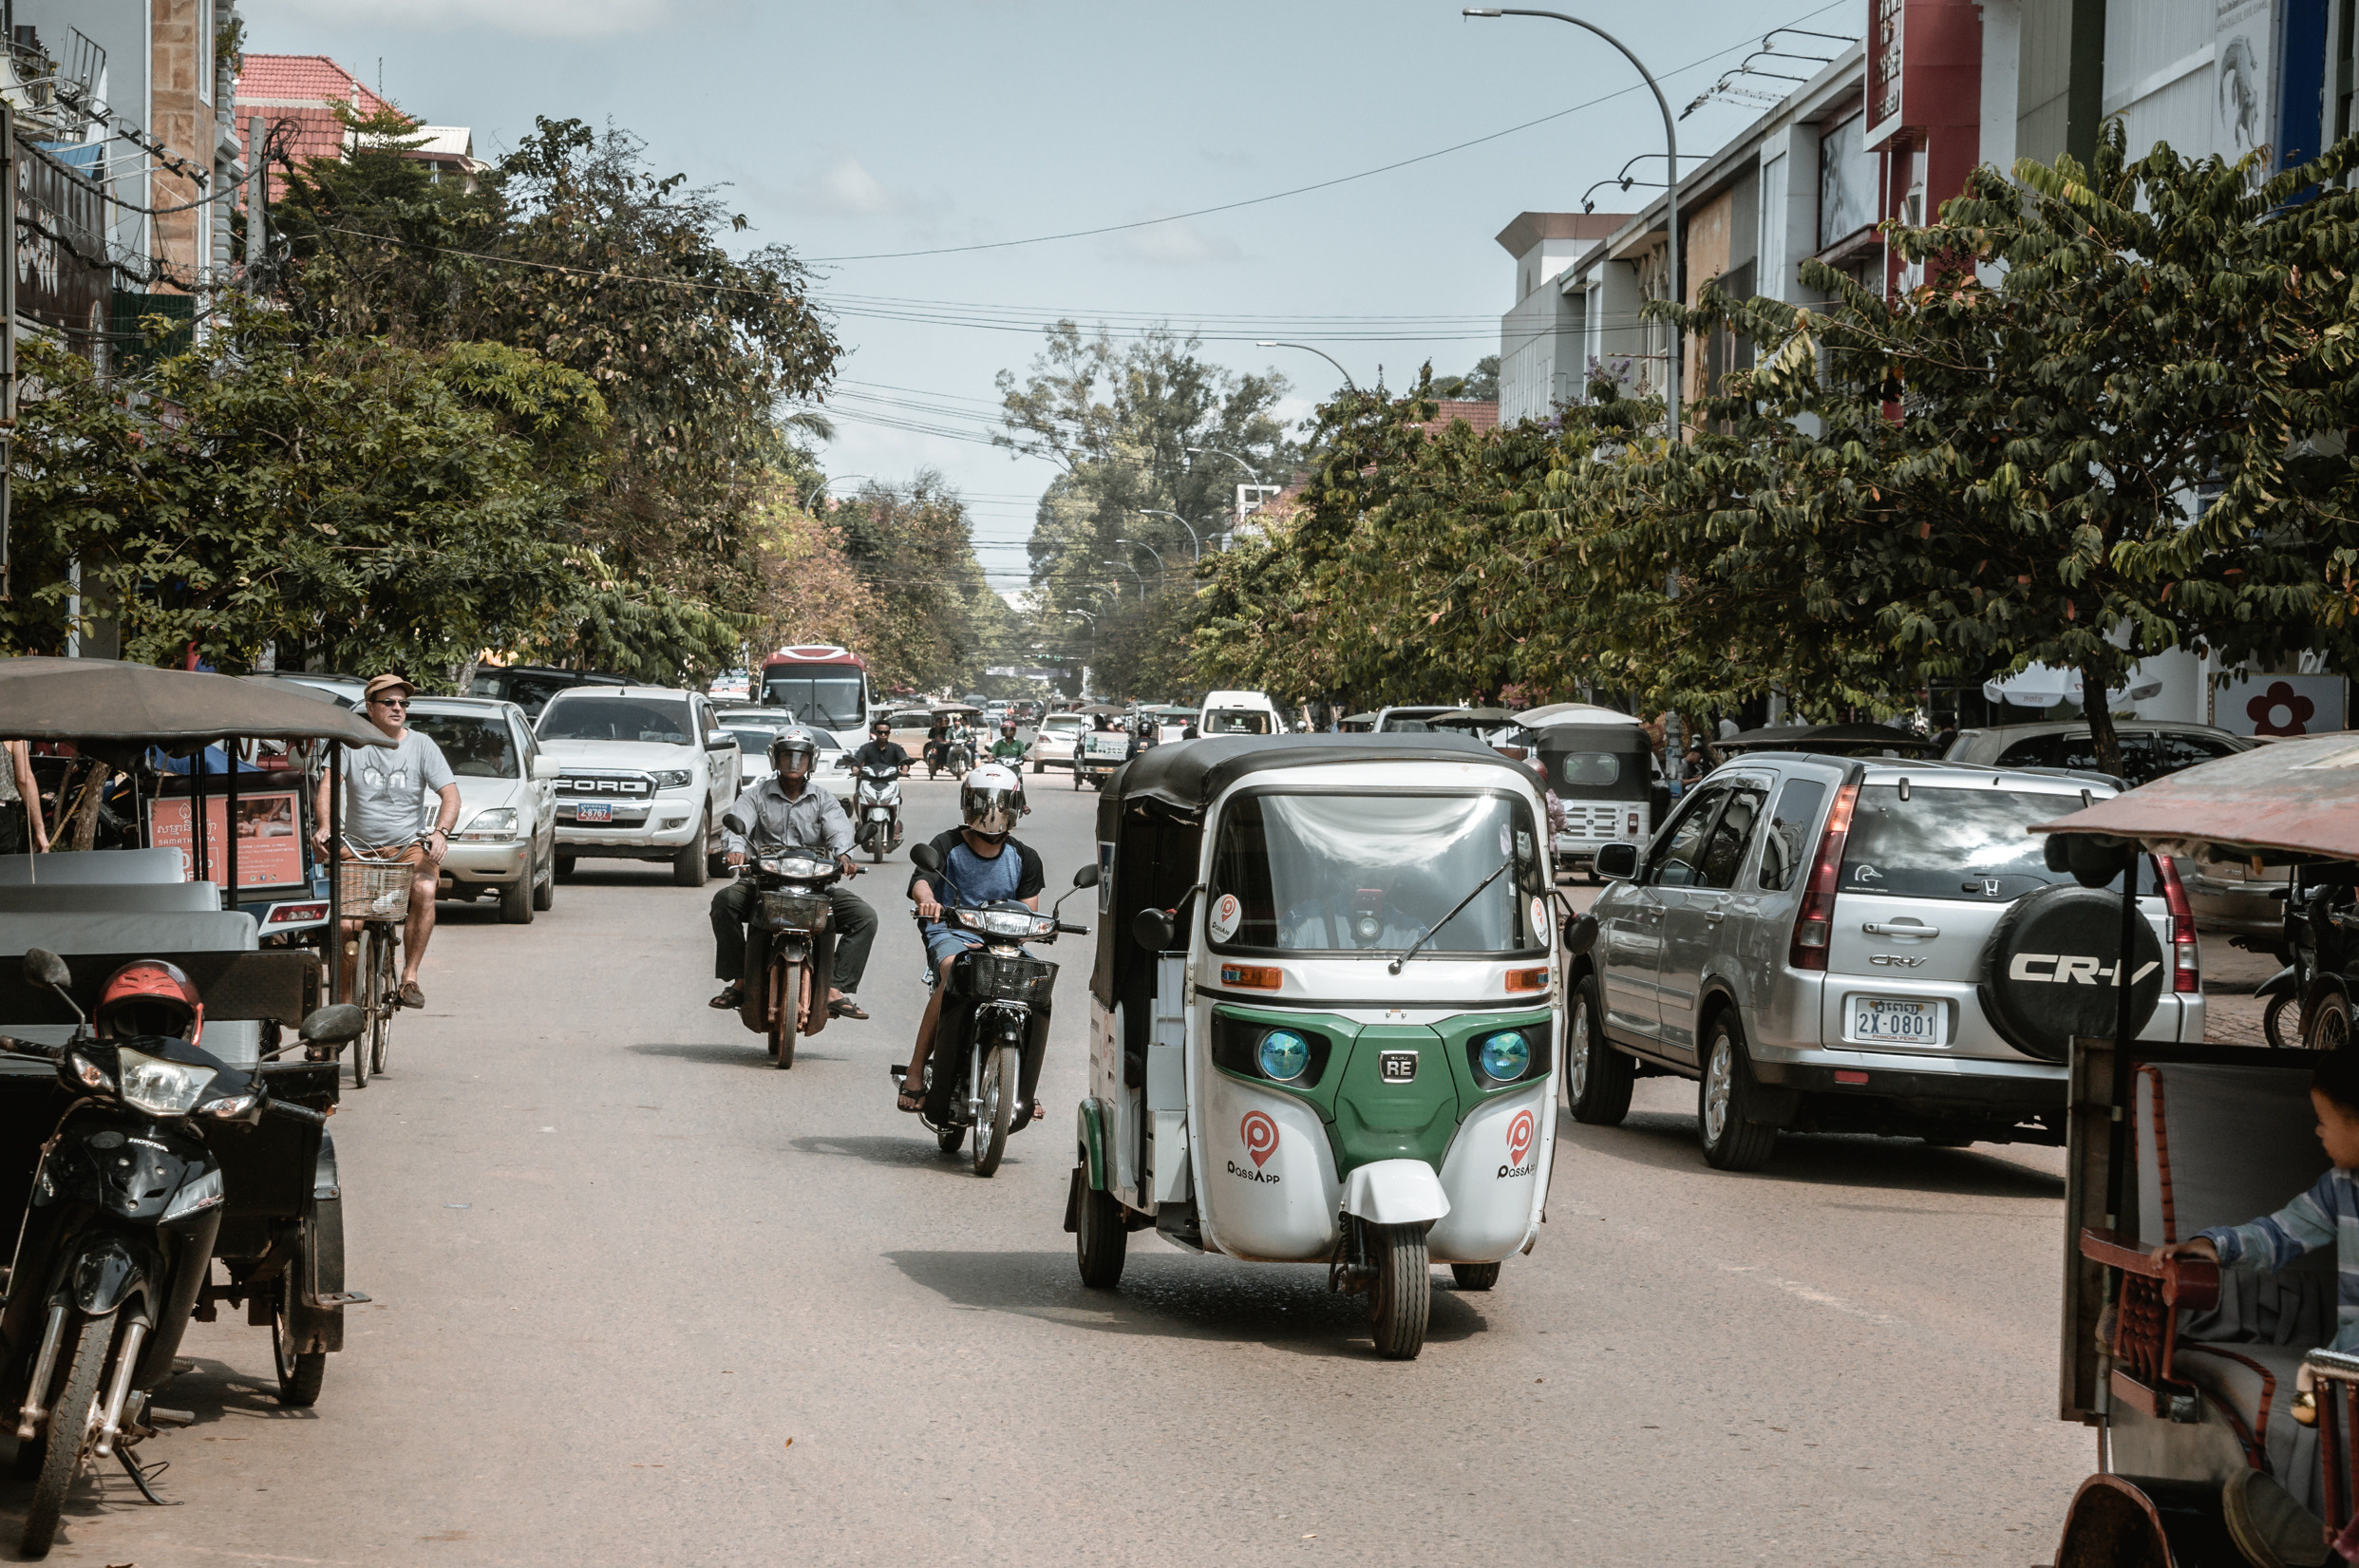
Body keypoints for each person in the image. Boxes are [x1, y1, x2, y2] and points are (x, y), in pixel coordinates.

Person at [897, 765, 1045, 1115]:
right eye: (985, 804)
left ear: (1014, 806)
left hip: (1002, 941)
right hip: (950, 933)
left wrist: (1032, 928)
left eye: (1000, 804)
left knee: (1036, 984)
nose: (992, 813)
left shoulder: (1025, 857)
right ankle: (916, 1072)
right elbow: (921, 881)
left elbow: (1028, 912)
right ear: (969, 805)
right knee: (951, 970)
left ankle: (1024, 1085)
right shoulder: (947, 845)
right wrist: (928, 901)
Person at [708, 727, 878, 1020]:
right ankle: (741, 978)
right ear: (775, 758)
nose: (794, 763)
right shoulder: (756, 796)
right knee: (724, 902)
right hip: (762, 882)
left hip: (816, 887)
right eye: (787, 756)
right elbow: (738, 826)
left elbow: (839, 830)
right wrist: (734, 850)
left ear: (811, 761)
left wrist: (844, 855)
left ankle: (834, 987)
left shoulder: (824, 799)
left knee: (864, 917)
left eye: (800, 757)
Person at [313, 673, 458, 1010]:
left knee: (424, 890)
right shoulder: (350, 742)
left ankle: (409, 976)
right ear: (370, 707)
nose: (397, 708)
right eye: (389, 702)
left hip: (407, 846)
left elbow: (451, 795)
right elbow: (328, 786)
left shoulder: (422, 745)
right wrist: (325, 826)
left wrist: (441, 833)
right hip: (358, 847)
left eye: (403, 703)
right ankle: (345, 1005)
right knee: (348, 925)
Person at [0, 740, 48, 856]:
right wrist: (40, 830)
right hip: (3, 813)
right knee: (6, 870)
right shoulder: (14, 729)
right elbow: (24, 779)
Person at [849, 717, 915, 775]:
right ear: (875, 733)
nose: (883, 735)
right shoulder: (865, 748)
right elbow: (857, 761)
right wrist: (855, 769)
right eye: (880, 732)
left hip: (891, 780)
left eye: (886, 732)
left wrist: (904, 770)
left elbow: (904, 761)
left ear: (889, 733)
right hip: (869, 780)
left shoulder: (896, 748)